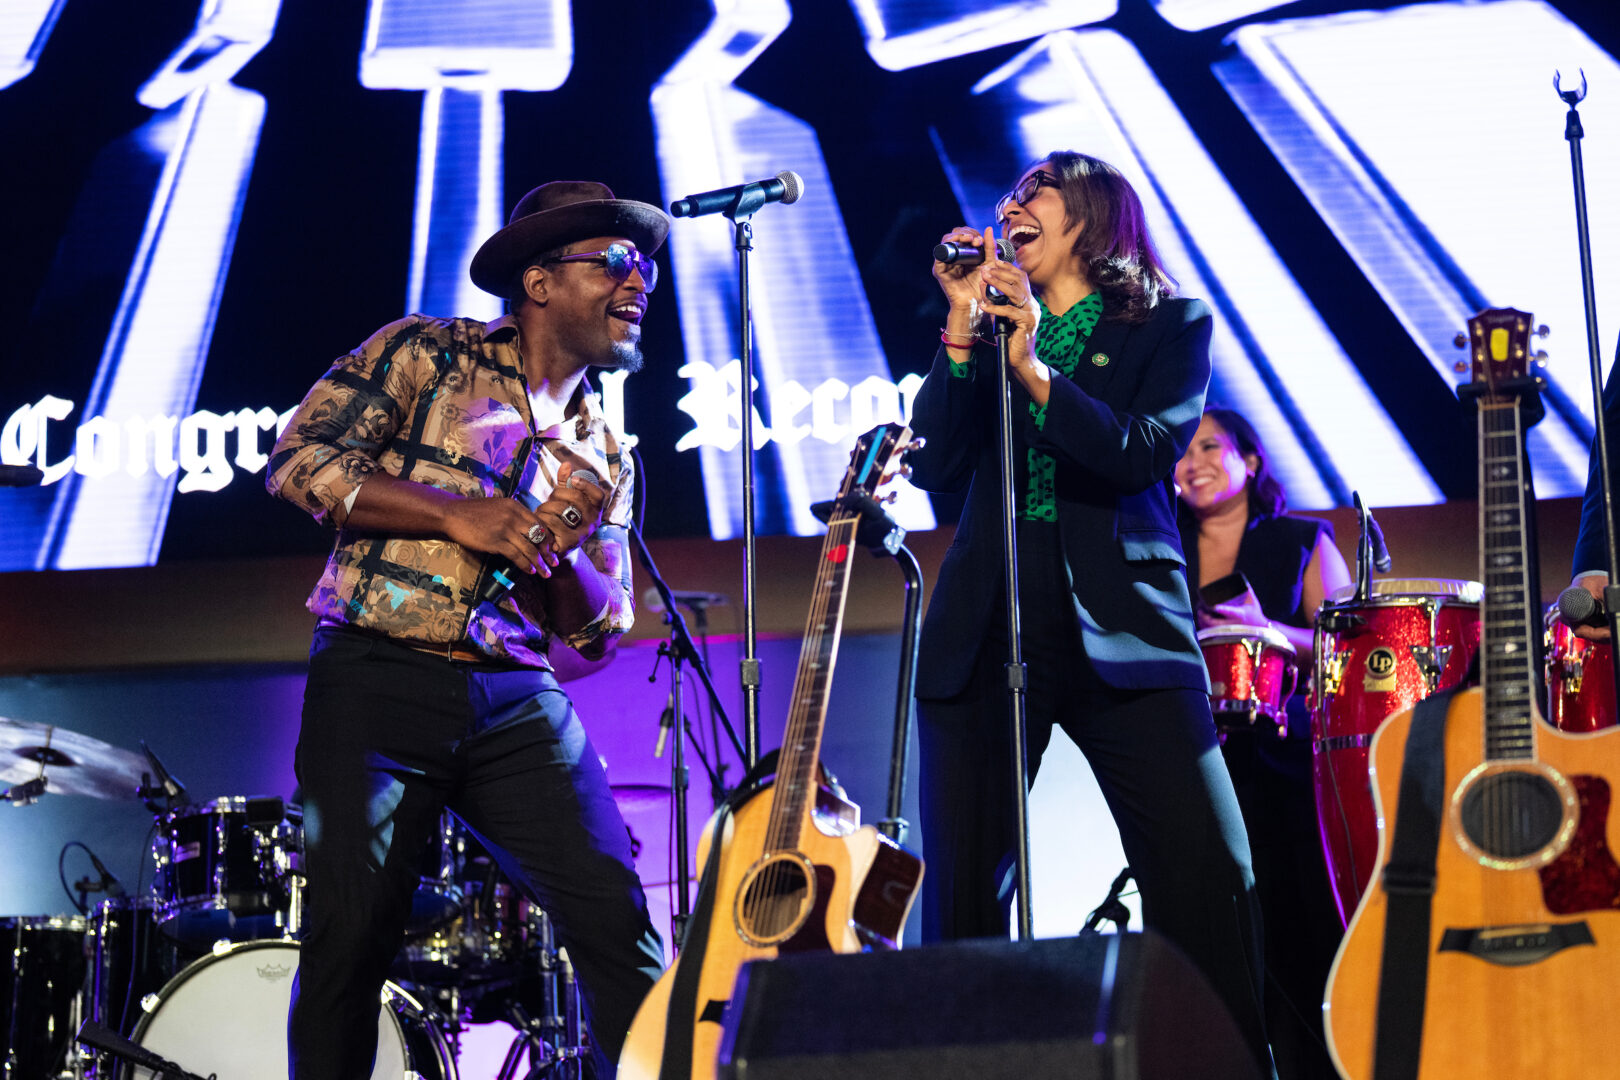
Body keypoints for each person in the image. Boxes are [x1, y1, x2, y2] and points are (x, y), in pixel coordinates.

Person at [267, 180, 668, 1079]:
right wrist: (461, 514)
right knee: (349, 942)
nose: (639, 280)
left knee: (618, 927)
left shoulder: (608, 451)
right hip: (375, 673)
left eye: (644, 265)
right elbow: (299, 461)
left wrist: (555, 553)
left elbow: (603, 630)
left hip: (514, 697)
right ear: (538, 282)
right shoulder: (426, 353)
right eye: (613, 261)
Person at [907, 150, 1273, 1074]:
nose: (1010, 208)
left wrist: (1030, 365)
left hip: (1128, 632)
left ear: (1093, 216)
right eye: (1007, 197)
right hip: (988, 627)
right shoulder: (984, 331)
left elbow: (1140, 453)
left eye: (1034, 193)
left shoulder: (1169, 323)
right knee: (963, 896)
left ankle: (1224, 1060)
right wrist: (961, 331)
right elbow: (934, 467)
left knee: (1208, 871)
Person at [1175, 406, 1351, 1080]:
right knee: (1216, 945)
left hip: (1287, 769)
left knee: (1299, 934)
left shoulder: (1301, 540)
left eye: (1212, 446)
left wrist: (1273, 635)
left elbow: (1346, 644)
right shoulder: (1160, 552)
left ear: (1251, 461)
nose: (1193, 461)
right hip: (1195, 763)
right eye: (1183, 451)